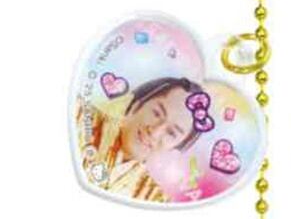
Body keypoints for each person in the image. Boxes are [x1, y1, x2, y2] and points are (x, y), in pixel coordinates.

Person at [75, 75, 210, 202]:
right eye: (157, 113)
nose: (155, 132)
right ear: (136, 105)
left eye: (171, 133)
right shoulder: (79, 117)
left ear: (174, 150)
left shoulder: (155, 199)